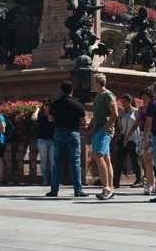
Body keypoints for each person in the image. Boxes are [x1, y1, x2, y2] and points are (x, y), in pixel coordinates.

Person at [46, 81, 90, 198]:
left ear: (61, 90)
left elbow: (50, 119)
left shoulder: (55, 104)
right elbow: (84, 121)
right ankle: (78, 190)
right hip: (73, 133)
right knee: (75, 162)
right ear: (71, 90)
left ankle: (54, 190)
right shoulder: (77, 104)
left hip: (59, 132)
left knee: (57, 162)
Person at [89, 72, 117, 201]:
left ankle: (106, 187)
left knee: (98, 155)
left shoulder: (107, 95)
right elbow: (96, 115)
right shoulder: (98, 96)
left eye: (93, 81)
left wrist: (106, 128)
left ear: (97, 82)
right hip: (98, 130)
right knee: (105, 158)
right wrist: (90, 127)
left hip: (104, 131)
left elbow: (115, 113)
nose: (91, 84)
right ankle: (109, 188)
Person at [113, 95, 142, 188]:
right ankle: (115, 181)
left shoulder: (136, 112)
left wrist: (128, 136)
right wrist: (118, 119)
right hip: (123, 136)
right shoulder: (122, 113)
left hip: (133, 138)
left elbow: (136, 125)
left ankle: (139, 179)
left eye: (125, 102)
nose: (123, 104)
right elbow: (120, 127)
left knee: (134, 159)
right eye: (122, 102)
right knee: (119, 159)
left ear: (129, 102)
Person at [137, 87, 156, 195]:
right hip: (142, 134)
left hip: (151, 135)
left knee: (149, 161)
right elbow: (137, 123)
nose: (143, 99)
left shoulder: (153, 107)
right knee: (148, 162)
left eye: (145, 97)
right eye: (142, 98)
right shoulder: (141, 109)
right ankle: (152, 185)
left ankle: (149, 185)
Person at [35, 101, 54, 186]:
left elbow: (51, 120)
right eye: (45, 107)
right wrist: (37, 110)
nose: (47, 108)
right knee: (43, 161)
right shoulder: (40, 115)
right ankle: (45, 180)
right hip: (42, 140)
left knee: (52, 161)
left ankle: (53, 180)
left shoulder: (53, 116)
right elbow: (33, 118)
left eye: (48, 107)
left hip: (52, 141)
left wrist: (51, 114)